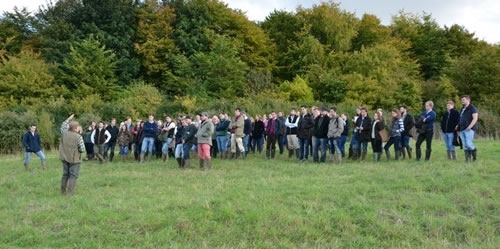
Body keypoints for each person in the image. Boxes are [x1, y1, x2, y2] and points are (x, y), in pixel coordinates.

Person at [59, 114, 86, 195]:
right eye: (78, 127)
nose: (79, 128)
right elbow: (82, 149)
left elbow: (63, 126)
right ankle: (70, 193)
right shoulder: (78, 136)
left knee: (65, 174)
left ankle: (63, 191)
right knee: (73, 175)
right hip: (74, 159)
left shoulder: (64, 133)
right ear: (75, 128)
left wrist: (68, 119)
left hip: (64, 157)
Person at [458, 95, 479, 162]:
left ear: (468, 100)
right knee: (465, 145)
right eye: (462, 100)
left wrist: (469, 127)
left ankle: (474, 158)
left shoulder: (473, 108)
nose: (462, 101)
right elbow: (460, 119)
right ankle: (467, 159)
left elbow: (475, 118)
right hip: (462, 129)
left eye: (463, 100)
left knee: (469, 143)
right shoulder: (462, 109)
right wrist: (458, 128)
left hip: (469, 129)